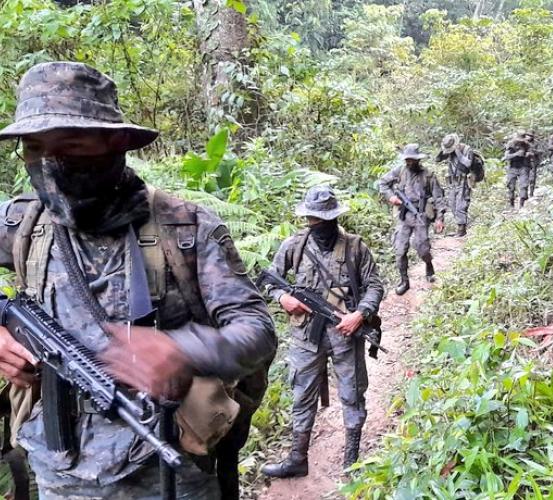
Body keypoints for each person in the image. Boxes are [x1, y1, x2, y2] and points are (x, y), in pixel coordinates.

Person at [0, 62, 277, 499]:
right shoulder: (22, 224)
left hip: (170, 468)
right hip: (55, 469)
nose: (49, 164)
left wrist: (183, 350)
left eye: (71, 145)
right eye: (35, 148)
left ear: (117, 143)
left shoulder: (186, 228)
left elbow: (258, 331)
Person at [260, 186, 384, 478]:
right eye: (313, 219)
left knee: (352, 395)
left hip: (345, 335)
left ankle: (351, 461)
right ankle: (297, 458)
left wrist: (359, 314)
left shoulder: (355, 247)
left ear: (335, 218)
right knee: (302, 395)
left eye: (324, 220)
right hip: (305, 337)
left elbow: (375, 285)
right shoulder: (294, 246)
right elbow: (269, 279)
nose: (318, 225)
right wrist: (283, 298)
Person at [379, 144, 446, 296]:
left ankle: (428, 265)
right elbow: (383, 183)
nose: (409, 162)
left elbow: (438, 198)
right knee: (400, 249)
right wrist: (391, 197)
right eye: (407, 160)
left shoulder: (428, 175)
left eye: (412, 160)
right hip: (404, 215)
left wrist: (439, 218)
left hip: (421, 214)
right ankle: (404, 281)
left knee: (423, 248)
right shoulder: (400, 171)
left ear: (418, 160)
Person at [435, 134, 476, 237]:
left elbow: (468, 164)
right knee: (452, 204)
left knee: (461, 205)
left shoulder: (466, 149)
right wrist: (443, 151)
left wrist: (458, 152)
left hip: (463, 181)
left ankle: (462, 229)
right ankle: (459, 227)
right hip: (452, 182)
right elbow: (437, 159)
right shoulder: (449, 152)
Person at [503, 131, 532, 209]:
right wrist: (516, 154)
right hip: (512, 167)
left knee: (524, 185)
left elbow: (532, 153)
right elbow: (506, 157)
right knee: (511, 186)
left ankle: (521, 205)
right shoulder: (511, 144)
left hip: (523, 167)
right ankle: (511, 204)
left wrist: (528, 154)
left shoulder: (527, 144)